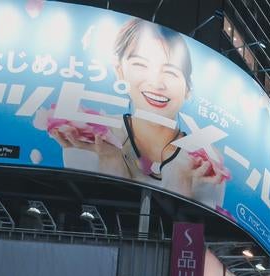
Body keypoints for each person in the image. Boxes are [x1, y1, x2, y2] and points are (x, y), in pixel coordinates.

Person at [43, 18, 228, 207]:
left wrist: (182, 179)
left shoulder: (204, 159)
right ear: (120, 71)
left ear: (188, 88)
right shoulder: (89, 136)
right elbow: (93, 214)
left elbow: (191, 232)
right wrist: (110, 157)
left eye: (170, 72)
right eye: (141, 65)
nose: (156, 83)